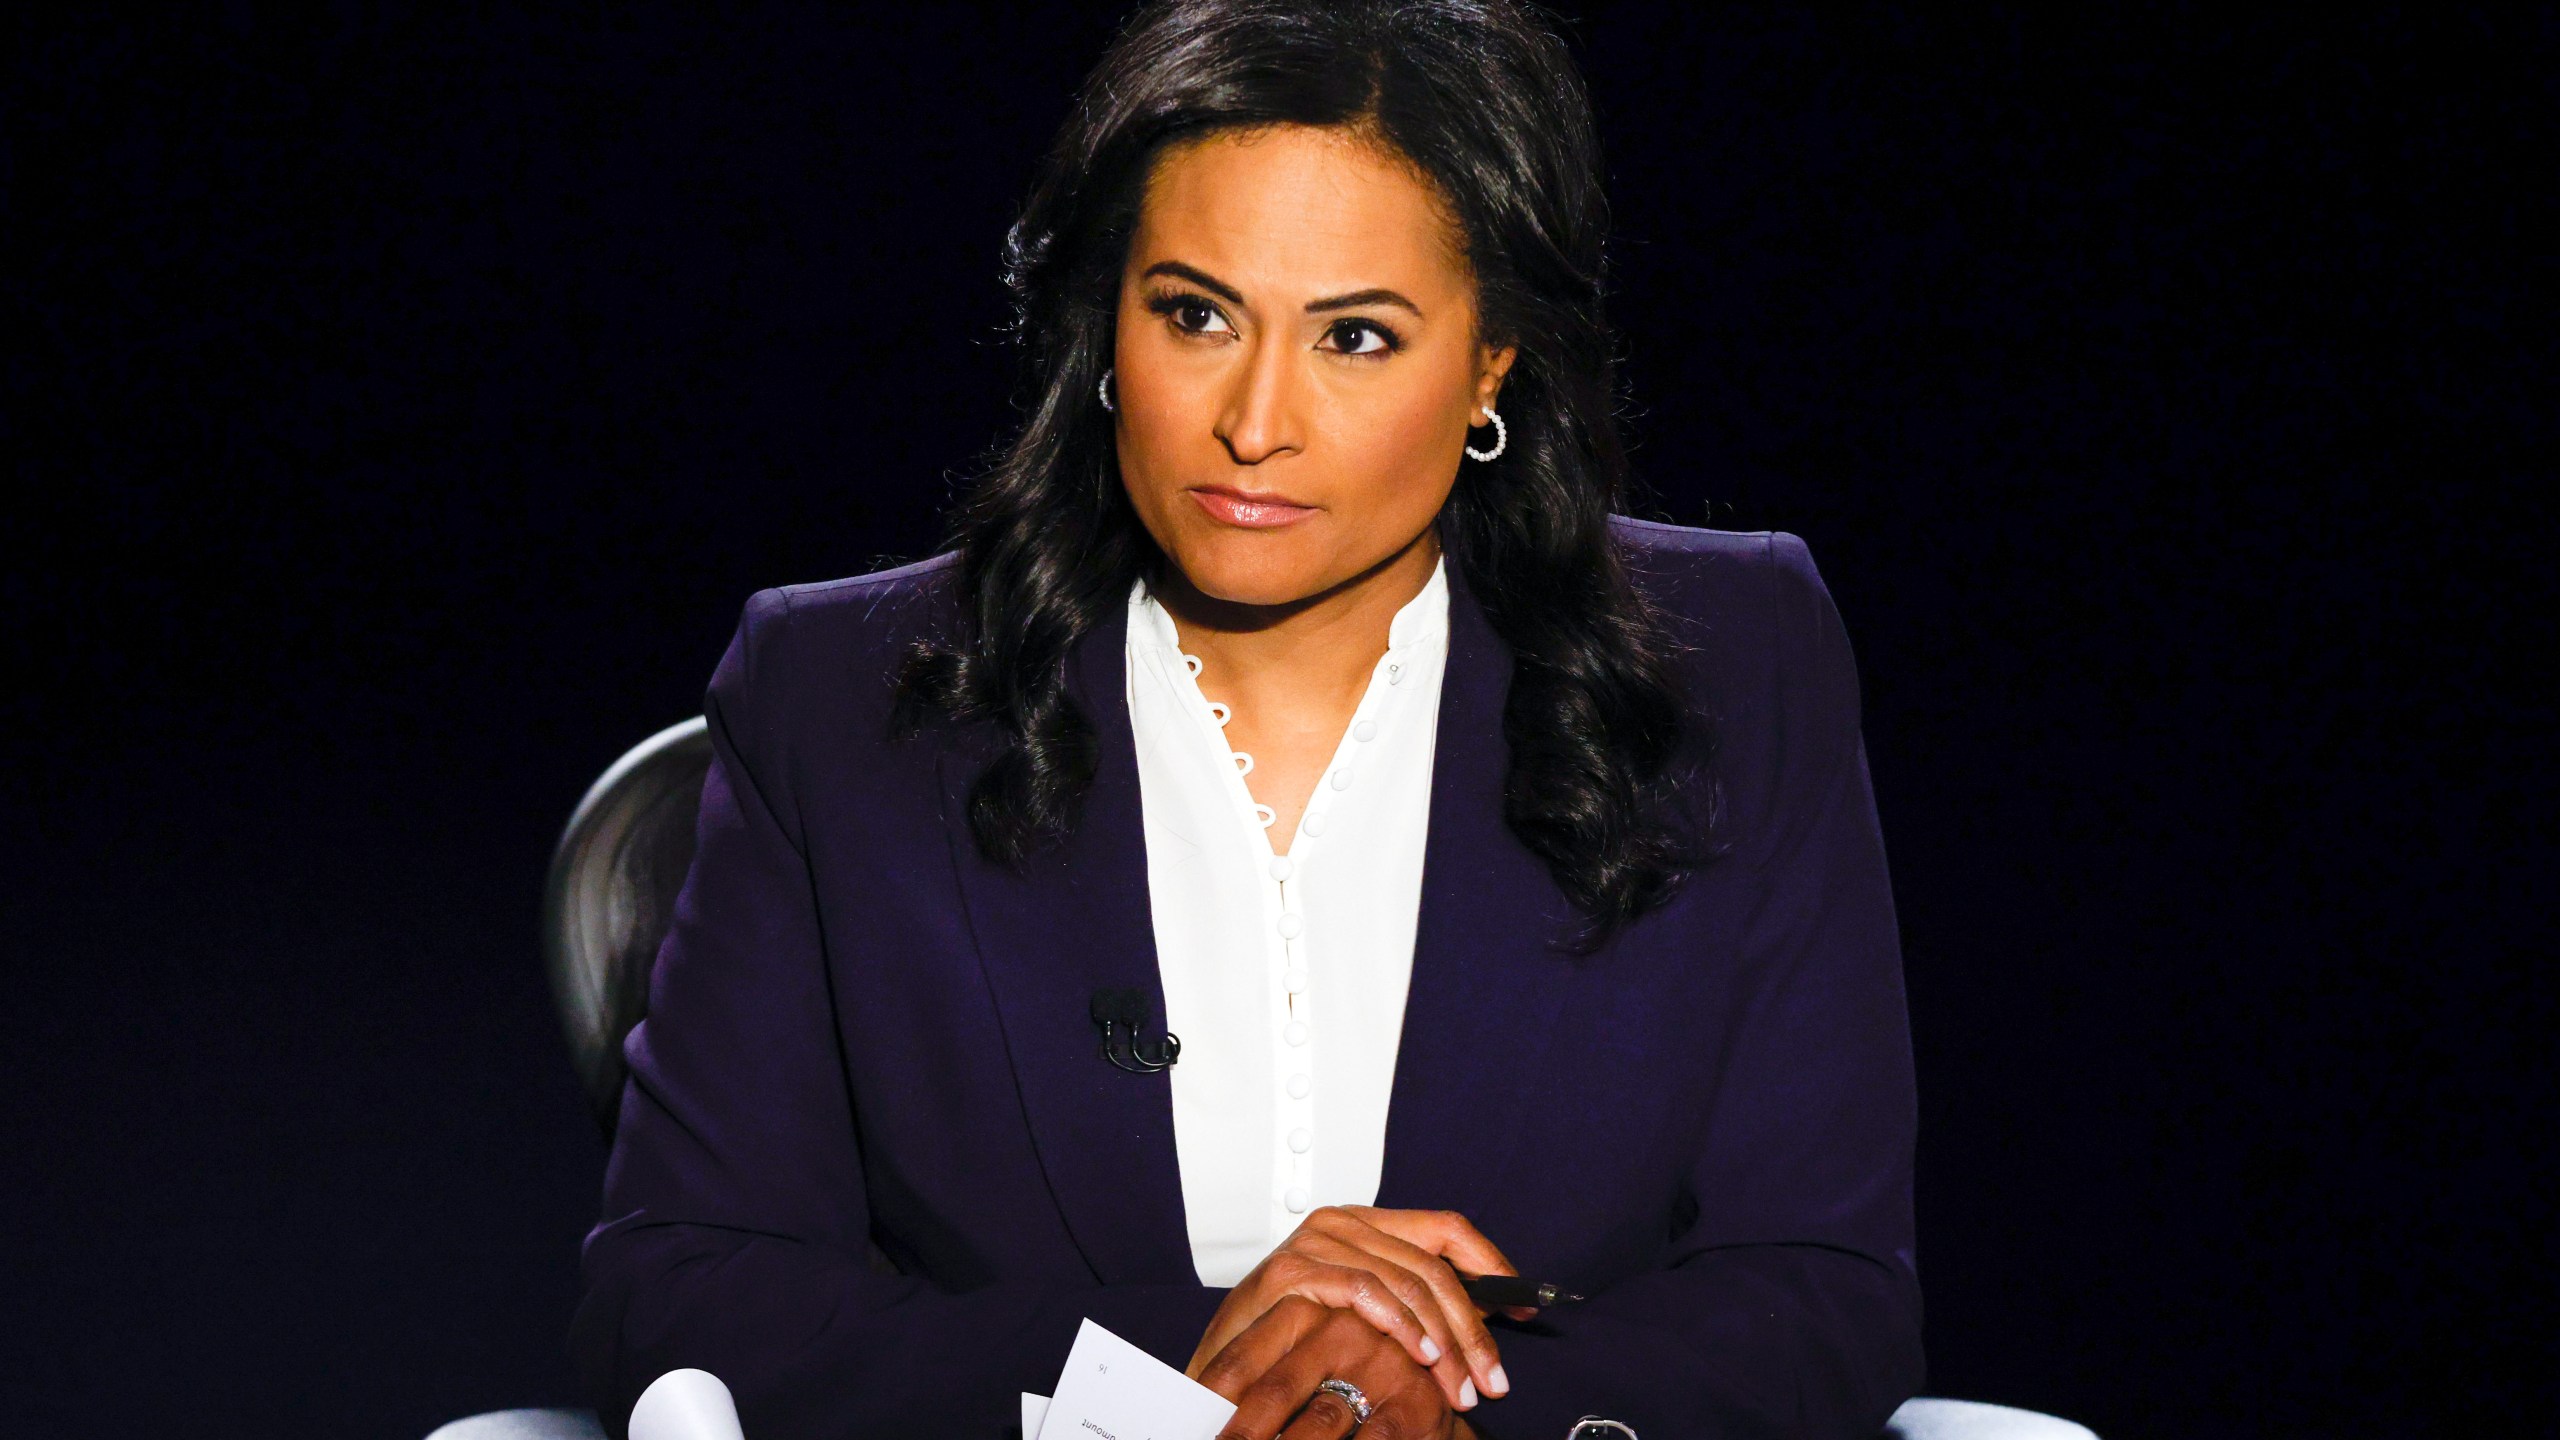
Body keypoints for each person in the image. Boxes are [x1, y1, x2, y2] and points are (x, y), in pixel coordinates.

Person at [569, 2, 1922, 1437]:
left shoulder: (1742, 664)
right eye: (1196, 314)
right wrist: (1198, 1360)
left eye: (1355, 336)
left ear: (1491, 367)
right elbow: (673, 1289)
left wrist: (1437, 1393)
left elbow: (1826, 1292)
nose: (1256, 421)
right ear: (1109, 325)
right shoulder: (834, 699)